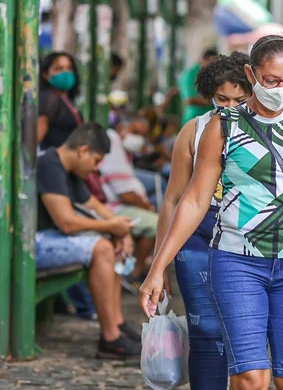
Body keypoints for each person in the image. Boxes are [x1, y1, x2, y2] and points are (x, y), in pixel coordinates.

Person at [141, 35, 283, 390]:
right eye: (270, 80)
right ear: (251, 74)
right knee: (250, 378)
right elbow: (193, 199)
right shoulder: (223, 127)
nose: (281, 89)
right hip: (237, 262)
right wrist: (158, 268)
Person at [153, 51, 252, 390]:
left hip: (251, 240)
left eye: (240, 99)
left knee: (246, 335)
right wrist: (159, 263)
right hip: (197, 238)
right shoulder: (193, 131)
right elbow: (173, 200)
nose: (230, 107)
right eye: (222, 99)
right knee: (206, 332)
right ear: (209, 95)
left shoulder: (269, 131)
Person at [36, 122, 141, 358]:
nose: (95, 169)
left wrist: (120, 231)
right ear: (83, 151)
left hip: (51, 239)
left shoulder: (69, 169)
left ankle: (117, 323)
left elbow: (94, 205)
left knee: (110, 243)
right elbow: (67, 222)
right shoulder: (49, 165)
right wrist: (110, 227)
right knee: (102, 247)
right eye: (95, 161)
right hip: (34, 244)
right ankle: (110, 338)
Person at [98, 126, 159, 281]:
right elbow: (126, 194)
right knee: (158, 223)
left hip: (115, 208)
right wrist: (149, 208)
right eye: (136, 132)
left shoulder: (122, 149)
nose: (138, 138)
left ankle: (134, 269)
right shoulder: (112, 143)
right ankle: (135, 273)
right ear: (121, 128)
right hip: (114, 207)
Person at [38, 52, 83, 150]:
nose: (66, 73)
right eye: (59, 69)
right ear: (46, 75)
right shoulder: (49, 98)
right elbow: (37, 137)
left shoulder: (65, 99)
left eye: (69, 68)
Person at [178, 48, 219, 126]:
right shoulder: (189, 75)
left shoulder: (214, 74)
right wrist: (215, 100)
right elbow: (189, 100)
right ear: (205, 60)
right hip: (193, 120)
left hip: (211, 121)